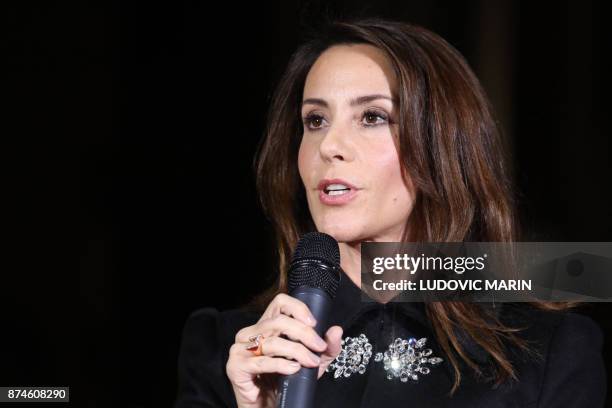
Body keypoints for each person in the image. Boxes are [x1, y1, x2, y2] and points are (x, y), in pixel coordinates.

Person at [174, 17, 607, 408]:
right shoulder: (230, 349)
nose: (329, 147)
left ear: (442, 145)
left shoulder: (547, 349)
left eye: (373, 116)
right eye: (315, 120)